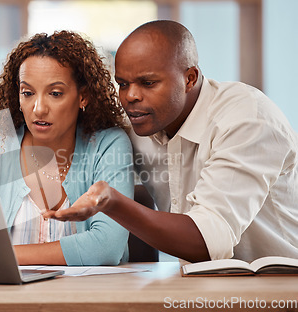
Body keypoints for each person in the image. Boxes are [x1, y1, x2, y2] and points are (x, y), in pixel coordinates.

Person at [45, 20, 298, 263]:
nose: (130, 96)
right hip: (199, 285)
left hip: (281, 284)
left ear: (189, 78)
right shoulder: (136, 120)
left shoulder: (246, 119)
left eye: (148, 83)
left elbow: (207, 242)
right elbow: (56, 121)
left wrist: (112, 202)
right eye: (122, 83)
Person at [0, 31, 134, 266]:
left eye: (55, 93)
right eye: (27, 93)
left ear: (83, 96)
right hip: (4, 298)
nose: (39, 109)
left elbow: (106, 247)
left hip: (89, 298)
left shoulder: (107, 145)